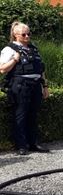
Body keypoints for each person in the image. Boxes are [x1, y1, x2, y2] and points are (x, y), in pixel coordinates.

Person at [0, 22, 50, 155]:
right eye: (24, 34)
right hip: (20, 85)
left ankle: (34, 143)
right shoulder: (9, 49)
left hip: (35, 85)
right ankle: (21, 145)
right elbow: (2, 69)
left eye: (29, 33)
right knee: (20, 115)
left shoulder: (33, 48)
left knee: (33, 115)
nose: (27, 36)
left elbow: (41, 69)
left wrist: (45, 86)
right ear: (16, 35)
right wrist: (15, 60)